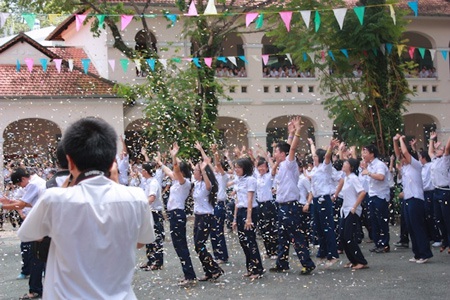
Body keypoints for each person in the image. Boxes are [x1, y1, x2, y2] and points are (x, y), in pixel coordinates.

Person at [15, 117, 155, 299]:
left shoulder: (55, 199)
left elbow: (29, 235)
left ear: (70, 161)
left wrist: (68, 182)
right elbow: (140, 241)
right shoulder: (136, 197)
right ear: (112, 160)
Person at [269, 116, 316, 275]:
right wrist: (290, 133)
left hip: (290, 206)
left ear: (282, 154)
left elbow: (292, 149)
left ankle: (307, 263)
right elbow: (288, 147)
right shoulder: (282, 165)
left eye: (276, 151)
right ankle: (282, 263)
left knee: (296, 236)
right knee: (282, 236)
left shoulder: (289, 164)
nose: (274, 152)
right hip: (281, 206)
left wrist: (297, 132)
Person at [155, 144, 197, 287]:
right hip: (173, 215)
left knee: (181, 245)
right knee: (178, 246)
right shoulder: (176, 180)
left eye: (177, 167)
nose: (174, 169)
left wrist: (174, 157)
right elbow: (169, 171)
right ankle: (188, 274)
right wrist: (160, 163)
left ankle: (190, 276)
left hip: (178, 214)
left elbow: (176, 171)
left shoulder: (185, 182)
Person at [1, 167, 46, 299]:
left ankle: (36, 289)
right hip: (43, 220)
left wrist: (2, 206)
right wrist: (11, 202)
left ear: (23, 179)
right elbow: (30, 204)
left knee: (35, 256)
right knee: (40, 255)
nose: (21, 187)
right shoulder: (38, 181)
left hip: (40, 222)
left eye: (20, 184)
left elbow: (21, 205)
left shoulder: (32, 185)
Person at [393, 134, 433, 263]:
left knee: (418, 227)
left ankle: (424, 253)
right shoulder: (405, 168)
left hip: (416, 199)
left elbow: (404, 151)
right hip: (408, 199)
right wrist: (395, 141)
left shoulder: (416, 165)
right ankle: (417, 253)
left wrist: (401, 140)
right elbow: (399, 153)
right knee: (410, 227)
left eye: (404, 158)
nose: (401, 159)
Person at [308, 138, 341, 267]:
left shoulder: (325, 167)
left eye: (316, 157)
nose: (313, 158)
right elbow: (313, 153)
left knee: (327, 227)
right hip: (316, 199)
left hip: (324, 199)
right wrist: (311, 144)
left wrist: (330, 147)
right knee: (319, 228)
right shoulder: (315, 169)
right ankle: (322, 253)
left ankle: (332, 255)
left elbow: (327, 156)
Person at [232, 157, 265, 279]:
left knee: (250, 240)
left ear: (245, 168)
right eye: (235, 167)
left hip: (249, 210)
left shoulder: (250, 180)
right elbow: (237, 200)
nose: (236, 170)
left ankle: (258, 269)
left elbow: (250, 199)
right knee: (243, 241)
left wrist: (249, 218)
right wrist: (235, 218)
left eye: (239, 167)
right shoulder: (238, 180)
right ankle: (250, 267)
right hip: (240, 210)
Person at [335, 158, 368, 270]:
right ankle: (352, 260)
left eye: (346, 163)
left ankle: (361, 261)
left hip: (352, 210)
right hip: (345, 210)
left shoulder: (354, 178)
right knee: (343, 236)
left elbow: (362, 192)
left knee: (348, 236)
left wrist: (354, 206)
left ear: (351, 167)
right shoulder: (346, 178)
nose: (344, 164)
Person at [361, 144, 391, 253]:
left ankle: (384, 244)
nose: (363, 155)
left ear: (372, 154)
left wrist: (368, 173)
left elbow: (381, 177)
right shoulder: (369, 165)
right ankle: (378, 243)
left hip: (380, 196)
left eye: (365, 152)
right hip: (372, 195)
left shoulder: (379, 164)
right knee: (373, 220)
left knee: (381, 220)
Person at [140, 162, 165, 271]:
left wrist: (141, 206)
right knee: (148, 236)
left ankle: (158, 262)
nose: (141, 172)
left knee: (157, 237)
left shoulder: (153, 182)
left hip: (155, 212)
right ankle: (150, 259)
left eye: (142, 170)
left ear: (146, 171)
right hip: (148, 211)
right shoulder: (146, 182)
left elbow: (152, 198)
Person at [428, 132, 450, 253]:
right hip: (436, 191)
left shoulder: (446, 160)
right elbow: (430, 152)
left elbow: (447, 148)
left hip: (445, 191)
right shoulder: (435, 160)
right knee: (438, 218)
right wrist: (432, 140)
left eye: (440, 149)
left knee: (447, 218)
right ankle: (445, 241)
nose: (437, 150)